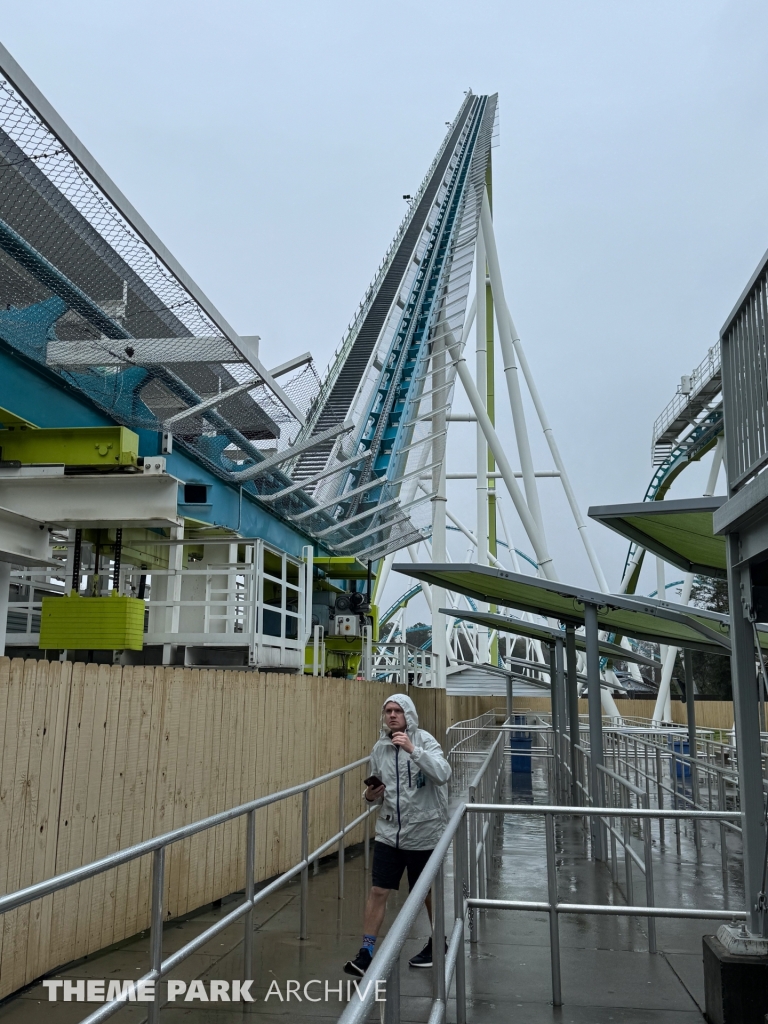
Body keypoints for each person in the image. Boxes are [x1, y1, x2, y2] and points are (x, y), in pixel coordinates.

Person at [344, 693, 451, 976]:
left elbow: (443, 773)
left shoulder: (425, 741)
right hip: (389, 833)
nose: (392, 715)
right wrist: (369, 795)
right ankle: (366, 952)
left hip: (424, 834)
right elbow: (374, 793)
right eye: (387, 711)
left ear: (409, 715)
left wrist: (413, 750)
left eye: (397, 711)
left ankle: (438, 942)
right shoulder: (380, 748)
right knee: (379, 890)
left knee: (427, 893)